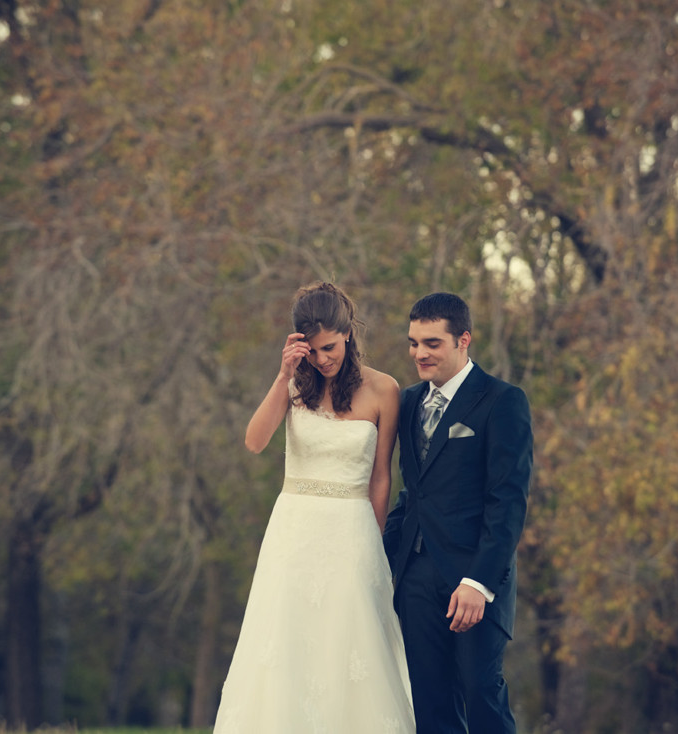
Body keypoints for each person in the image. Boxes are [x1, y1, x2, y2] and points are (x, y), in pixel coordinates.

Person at [214, 282, 414, 733]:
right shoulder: (294, 385)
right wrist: (282, 376)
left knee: (348, 642)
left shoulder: (384, 389)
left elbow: (381, 477)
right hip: (294, 531)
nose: (323, 360)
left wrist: (374, 543)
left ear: (347, 334)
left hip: (352, 531)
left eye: (330, 348)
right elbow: (254, 441)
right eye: (314, 350)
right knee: (286, 641)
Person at [383, 292, 533, 734]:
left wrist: (478, 582)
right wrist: (379, 556)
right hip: (415, 576)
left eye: (432, 343)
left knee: (481, 692)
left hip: (474, 576)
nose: (419, 354)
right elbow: (413, 494)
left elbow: (507, 501)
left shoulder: (502, 400)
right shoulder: (408, 402)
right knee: (430, 705)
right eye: (413, 343)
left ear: (463, 340)